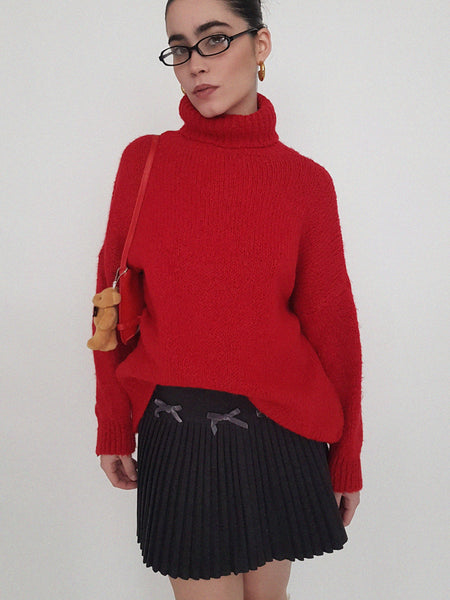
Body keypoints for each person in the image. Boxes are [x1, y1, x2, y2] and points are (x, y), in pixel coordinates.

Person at [91, 1, 363, 599]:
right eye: (179, 47)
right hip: (179, 430)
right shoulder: (145, 161)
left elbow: (332, 326)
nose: (194, 63)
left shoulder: (306, 182)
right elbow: (109, 305)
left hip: (284, 430)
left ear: (260, 45)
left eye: (214, 39)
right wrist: (113, 423)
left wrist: (347, 455)